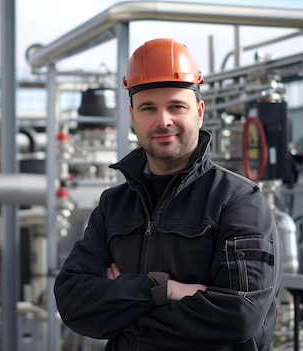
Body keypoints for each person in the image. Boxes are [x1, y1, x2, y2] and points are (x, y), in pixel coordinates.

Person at [54, 38, 281, 351]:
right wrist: (163, 290)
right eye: (149, 108)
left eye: (176, 106)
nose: (163, 121)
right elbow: (72, 301)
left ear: (199, 112)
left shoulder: (237, 200)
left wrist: (123, 314)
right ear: (132, 116)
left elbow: (240, 316)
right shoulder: (114, 205)